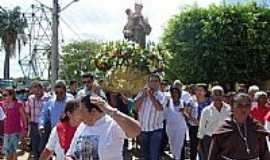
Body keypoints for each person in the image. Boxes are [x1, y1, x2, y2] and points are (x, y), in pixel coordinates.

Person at [65, 95, 141, 160]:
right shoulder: (82, 126)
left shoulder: (112, 124)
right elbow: (70, 154)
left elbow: (136, 130)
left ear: (93, 112)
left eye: (82, 111)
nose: (79, 115)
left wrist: (111, 111)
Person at [208, 93, 270, 160]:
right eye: (239, 106)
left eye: (247, 105)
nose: (244, 109)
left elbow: (265, 154)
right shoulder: (223, 129)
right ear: (232, 107)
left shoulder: (257, 127)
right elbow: (213, 155)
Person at [135, 73, 166, 160]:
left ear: (159, 83)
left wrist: (150, 95)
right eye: (151, 81)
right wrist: (143, 96)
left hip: (155, 130)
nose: (153, 83)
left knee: (154, 155)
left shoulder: (162, 95)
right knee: (145, 155)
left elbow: (159, 108)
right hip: (143, 129)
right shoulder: (141, 93)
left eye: (156, 81)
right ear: (148, 83)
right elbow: (136, 108)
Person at [39, 80, 74, 152]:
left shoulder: (70, 101)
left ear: (65, 90)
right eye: (57, 92)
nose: (59, 94)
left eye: (61, 92)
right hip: (54, 132)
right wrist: (41, 125)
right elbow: (43, 114)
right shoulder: (50, 101)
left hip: (68, 132)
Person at [197, 86, 231, 160]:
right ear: (212, 96)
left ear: (223, 96)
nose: (217, 97)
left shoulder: (229, 109)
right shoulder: (206, 110)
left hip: (225, 139)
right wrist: (200, 143)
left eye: (220, 94)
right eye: (215, 94)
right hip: (210, 139)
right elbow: (202, 127)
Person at [0, 88, 27, 160]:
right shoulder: (1, 104)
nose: (3, 96)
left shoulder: (19, 104)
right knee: (8, 153)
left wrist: (25, 129)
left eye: (5, 95)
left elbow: (24, 118)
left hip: (16, 132)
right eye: (3, 95)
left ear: (12, 95)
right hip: (5, 132)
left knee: (14, 152)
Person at [25, 81, 50, 159]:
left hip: (45, 126)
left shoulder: (48, 98)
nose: (36, 93)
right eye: (34, 91)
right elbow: (27, 112)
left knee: (43, 147)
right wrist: (30, 123)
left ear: (42, 89)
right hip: (34, 125)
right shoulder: (30, 98)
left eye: (37, 90)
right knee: (35, 147)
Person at [188, 83, 211, 160]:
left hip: (206, 128)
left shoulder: (209, 101)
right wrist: (193, 120)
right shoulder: (191, 100)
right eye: (197, 90)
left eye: (201, 90)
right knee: (193, 147)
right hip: (194, 126)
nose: (199, 92)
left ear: (205, 92)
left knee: (204, 147)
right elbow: (186, 112)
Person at [164, 85, 187, 160]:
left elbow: (187, 116)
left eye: (176, 92)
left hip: (180, 127)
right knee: (172, 146)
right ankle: (175, 157)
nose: (174, 94)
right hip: (170, 127)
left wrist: (184, 112)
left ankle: (177, 158)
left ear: (179, 93)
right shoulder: (168, 102)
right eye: (172, 92)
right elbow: (164, 113)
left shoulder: (183, 102)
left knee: (178, 146)